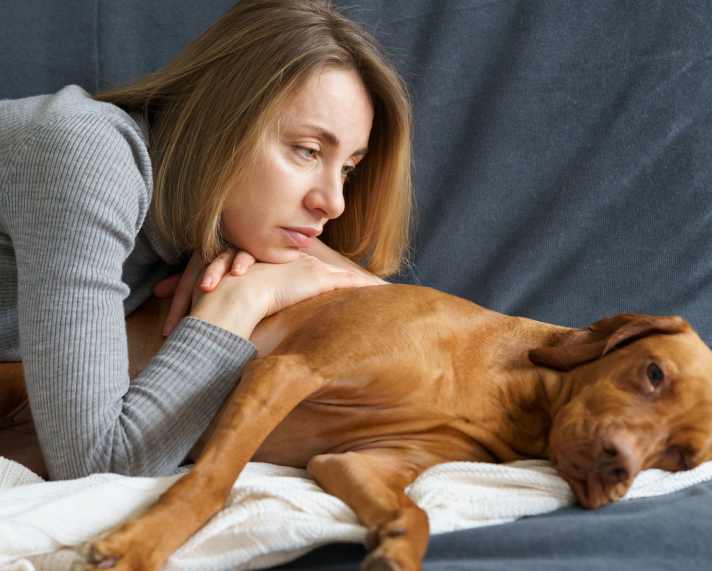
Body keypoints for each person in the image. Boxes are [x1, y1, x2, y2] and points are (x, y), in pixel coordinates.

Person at [0, 0, 413, 480]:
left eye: (347, 169)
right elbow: (97, 464)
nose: (334, 202)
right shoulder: (87, 157)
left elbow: (389, 310)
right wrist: (246, 300)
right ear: (221, 122)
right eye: (307, 151)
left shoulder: (210, 228)